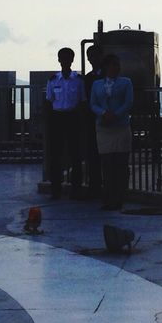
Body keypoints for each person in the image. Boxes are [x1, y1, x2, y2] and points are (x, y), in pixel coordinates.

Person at [88, 53, 134, 210]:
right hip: (103, 127)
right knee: (107, 164)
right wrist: (103, 113)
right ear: (106, 67)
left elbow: (128, 102)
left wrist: (115, 114)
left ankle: (119, 197)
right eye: (112, 65)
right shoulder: (97, 85)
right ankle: (108, 197)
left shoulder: (126, 82)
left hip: (120, 125)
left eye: (117, 65)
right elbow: (92, 103)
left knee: (121, 164)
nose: (115, 68)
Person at [44, 47, 86, 198]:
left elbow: (82, 101)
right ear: (59, 60)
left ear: (72, 60)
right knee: (55, 155)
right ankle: (56, 189)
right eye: (63, 58)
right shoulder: (53, 80)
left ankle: (76, 189)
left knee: (75, 154)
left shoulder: (79, 80)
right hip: (58, 117)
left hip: (73, 117)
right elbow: (49, 102)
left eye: (68, 58)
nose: (65, 61)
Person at [81, 44, 104, 199]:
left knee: (105, 154)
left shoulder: (100, 77)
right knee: (93, 154)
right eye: (91, 57)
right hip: (92, 120)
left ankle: (101, 187)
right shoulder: (88, 78)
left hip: (103, 119)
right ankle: (94, 186)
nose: (93, 59)